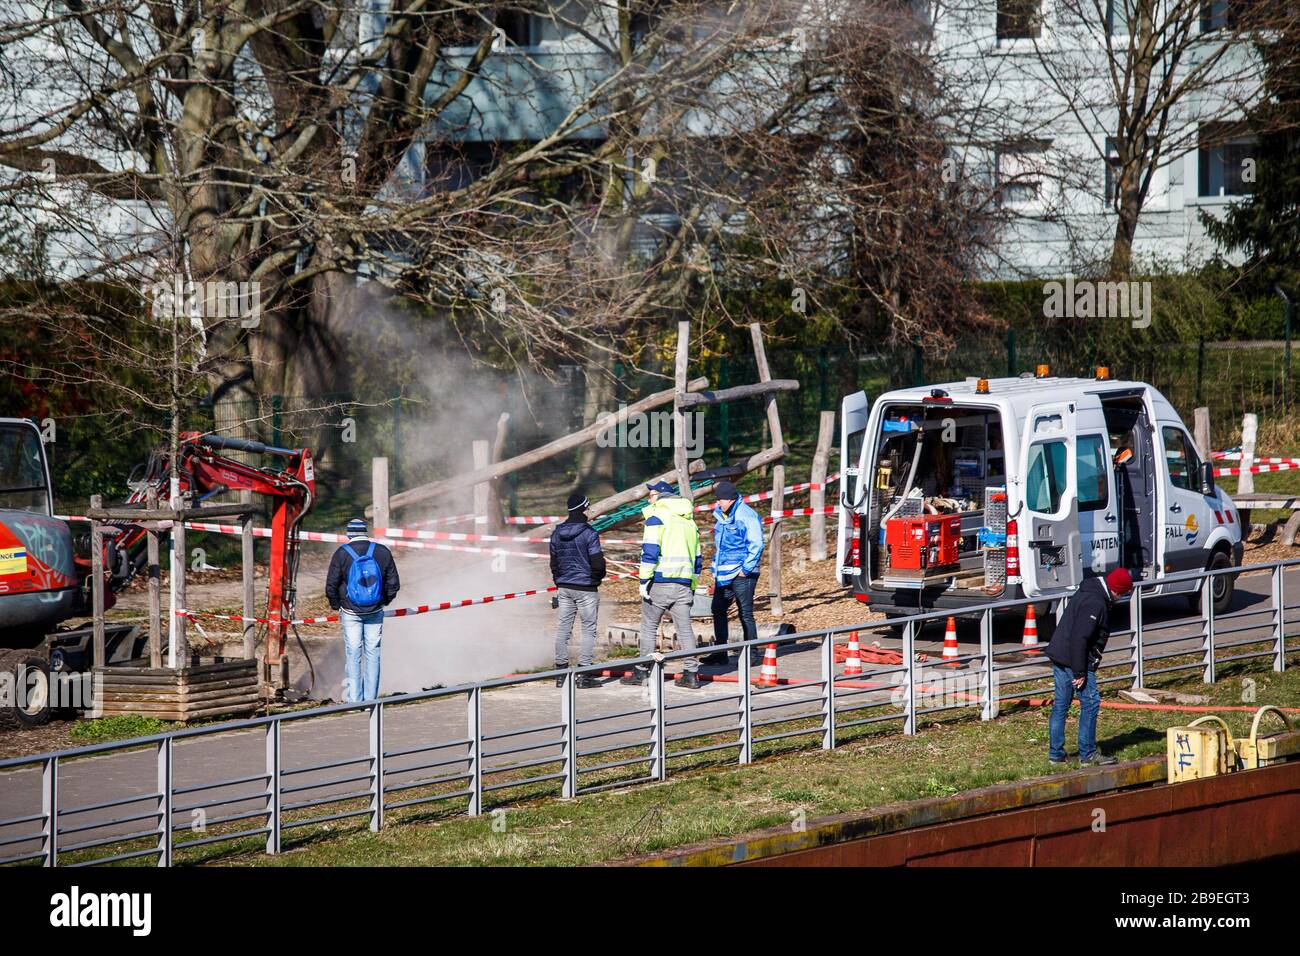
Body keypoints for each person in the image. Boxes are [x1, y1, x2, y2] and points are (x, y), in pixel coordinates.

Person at [1044, 567, 1132, 766]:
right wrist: (1080, 672)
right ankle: (1088, 753)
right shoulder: (1096, 603)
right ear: (1118, 590)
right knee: (1091, 703)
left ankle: (1055, 754)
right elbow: (1080, 638)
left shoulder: (1090, 591)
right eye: (1125, 593)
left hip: (1061, 655)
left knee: (1061, 705)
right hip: (1076, 660)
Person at [621, 480, 704, 689]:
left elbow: (650, 552)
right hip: (684, 583)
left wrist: (643, 581)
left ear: (660, 496)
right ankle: (691, 674)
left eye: (651, 494)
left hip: (660, 581)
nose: (649, 498)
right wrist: (693, 584)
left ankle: (642, 671)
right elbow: (698, 559)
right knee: (684, 629)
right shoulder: (689, 522)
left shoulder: (657, 518)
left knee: (648, 627)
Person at [325, 517, 400, 703]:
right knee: (373, 653)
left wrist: (337, 604)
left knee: (353, 653)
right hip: (375, 611)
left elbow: (331, 585)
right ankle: (371, 701)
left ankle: (354, 700)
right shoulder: (382, 552)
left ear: (349, 534)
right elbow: (394, 584)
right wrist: (383, 601)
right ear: (366, 532)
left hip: (350, 612)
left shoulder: (341, 553)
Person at [703, 480, 764, 666]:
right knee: (718, 609)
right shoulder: (721, 516)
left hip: (743, 573)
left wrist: (746, 569)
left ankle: (752, 654)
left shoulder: (746, 515)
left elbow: (757, 543)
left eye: (720, 500)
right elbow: (721, 548)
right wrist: (716, 571)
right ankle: (720, 652)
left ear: (729, 499)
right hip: (725, 574)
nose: (717, 503)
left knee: (745, 613)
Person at [550, 491, 606, 688]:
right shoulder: (589, 533)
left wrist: (559, 582)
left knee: (563, 629)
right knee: (588, 630)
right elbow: (598, 563)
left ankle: (560, 674)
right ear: (585, 508)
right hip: (586, 587)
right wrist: (595, 579)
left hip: (564, 587)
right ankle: (584, 675)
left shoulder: (557, 533)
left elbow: (554, 563)